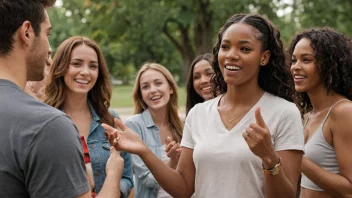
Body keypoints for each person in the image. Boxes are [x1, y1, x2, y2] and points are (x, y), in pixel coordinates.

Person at [103, 14, 305, 198]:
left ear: (264, 57)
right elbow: (182, 188)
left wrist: (269, 158)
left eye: (244, 48)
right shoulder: (199, 113)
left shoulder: (284, 113)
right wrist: (143, 150)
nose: (231, 55)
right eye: (225, 47)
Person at [0, 0, 123, 197]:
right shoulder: (48, 126)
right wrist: (114, 174)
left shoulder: (109, 119)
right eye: (47, 34)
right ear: (27, 33)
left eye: (93, 66)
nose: (49, 49)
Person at [44, 36, 134, 197]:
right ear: (61, 67)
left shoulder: (111, 119)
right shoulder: (45, 120)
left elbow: (127, 177)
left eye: (93, 66)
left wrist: (112, 190)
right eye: (76, 64)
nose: (85, 72)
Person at [288, 28, 352, 198]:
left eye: (306, 60)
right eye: (294, 60)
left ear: (329, 65)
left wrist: (297, 157)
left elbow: (349, 190)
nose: (295, 67)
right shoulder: (307, 115)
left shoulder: (344, 112)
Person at [124, 63, 183, 198]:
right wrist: (172, 162)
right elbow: (146, 179)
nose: (152, 90)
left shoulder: (181, 126)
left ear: (171, 88)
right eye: (145, 86)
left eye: (158, 83)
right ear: (141, 95)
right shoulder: (134, 125)